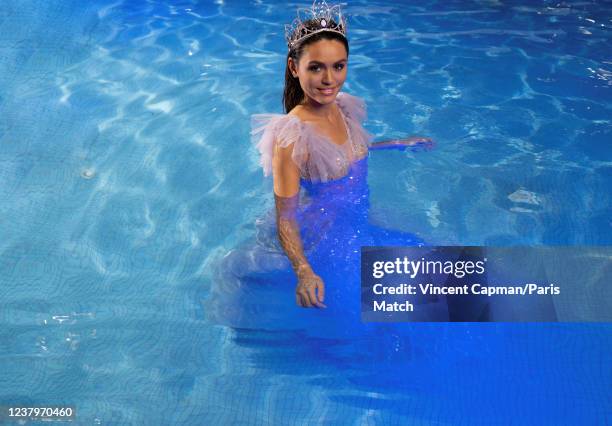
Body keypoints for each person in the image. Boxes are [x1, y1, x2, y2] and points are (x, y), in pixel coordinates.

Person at [250, 0, 434, 311]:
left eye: (338, 66)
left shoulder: (343, 107)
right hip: (328, 239)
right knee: (376, 316)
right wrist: (304, 271)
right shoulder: (291, 137)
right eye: (316, 67)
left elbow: (346, 153)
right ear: (295, 68)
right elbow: (285, 217)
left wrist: (398, 144)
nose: (329, 80)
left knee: (429, 268)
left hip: (358, 217)